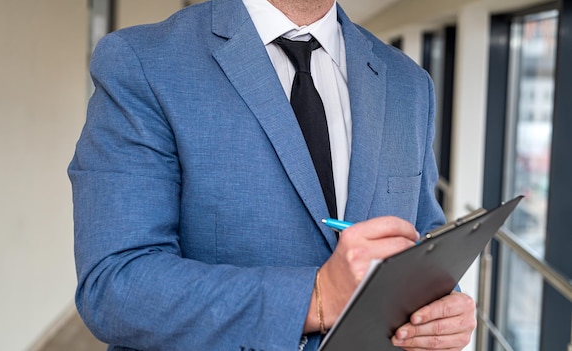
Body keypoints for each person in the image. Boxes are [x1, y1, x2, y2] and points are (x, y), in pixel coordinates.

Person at [68, 0, 477, 350]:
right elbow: (115, 286)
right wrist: (315, 296)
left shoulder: (409, 84)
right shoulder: (143, 62)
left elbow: (423, 235)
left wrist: (442, 308)